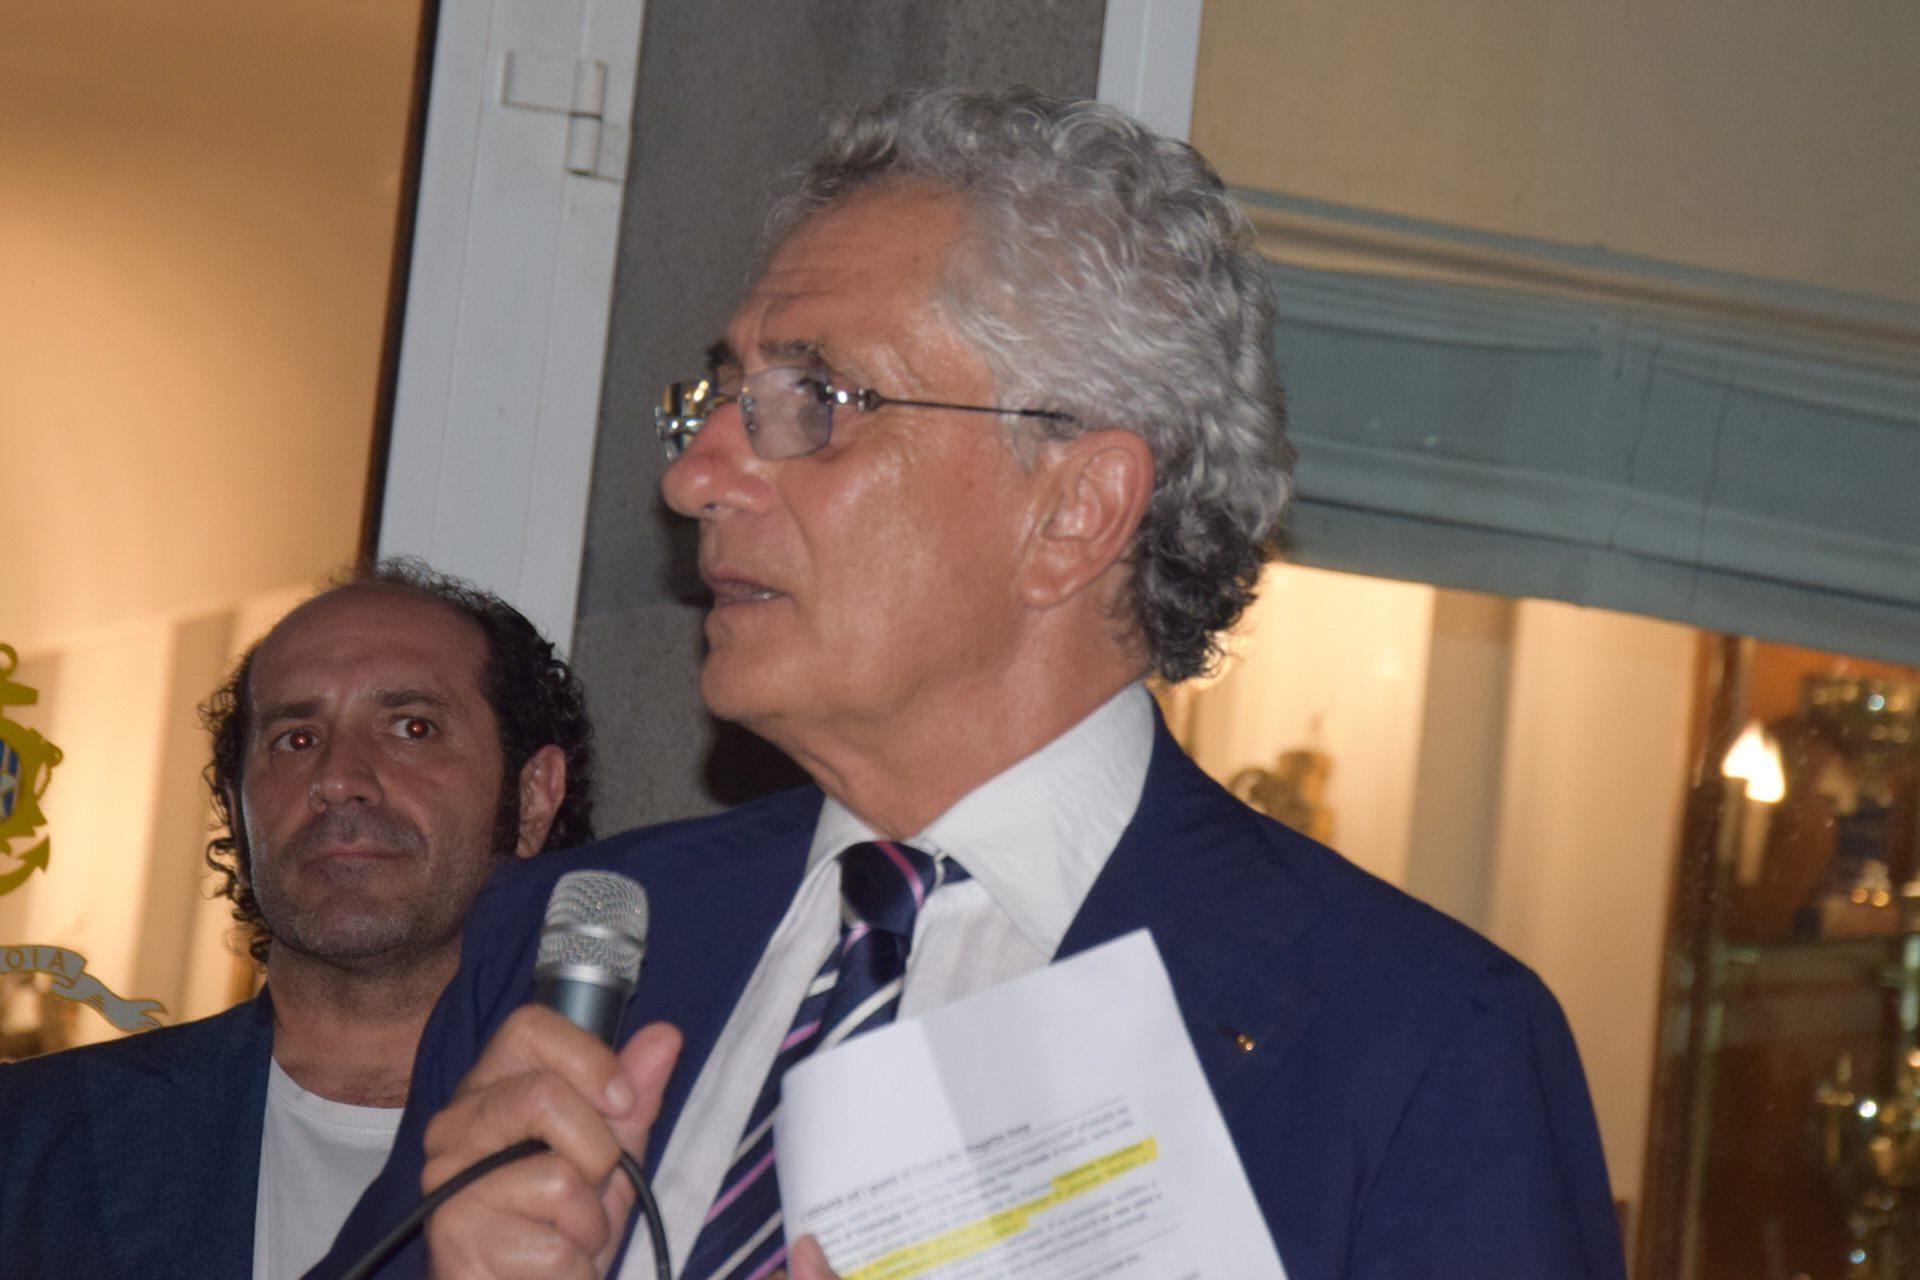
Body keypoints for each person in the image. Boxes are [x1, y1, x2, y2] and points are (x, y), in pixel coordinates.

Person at [319, 88, 1625, 1280]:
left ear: (1076, 510)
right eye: (717, 398)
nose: (696, 476)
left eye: (813, 398)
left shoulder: (1411, 1041)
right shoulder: (572, 942)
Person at [0, 560, 596, 1280]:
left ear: (532, 797)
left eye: (412, 728)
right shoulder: (30, 1144)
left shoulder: (646, 1131)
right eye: (296, 739)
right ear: (237, 811)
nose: (337, 778)